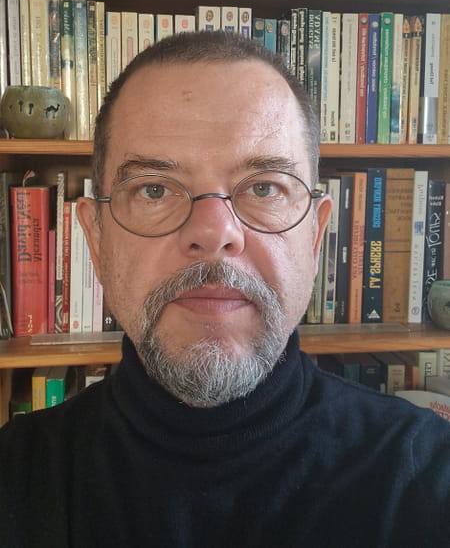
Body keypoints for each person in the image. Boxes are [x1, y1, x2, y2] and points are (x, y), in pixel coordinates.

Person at [1, 30, 450, 548]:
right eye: (154, 189)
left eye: (264, 187)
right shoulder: (14, 478)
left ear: (315, 237)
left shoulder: (427, 475)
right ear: (96, 240)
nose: (214, 233)